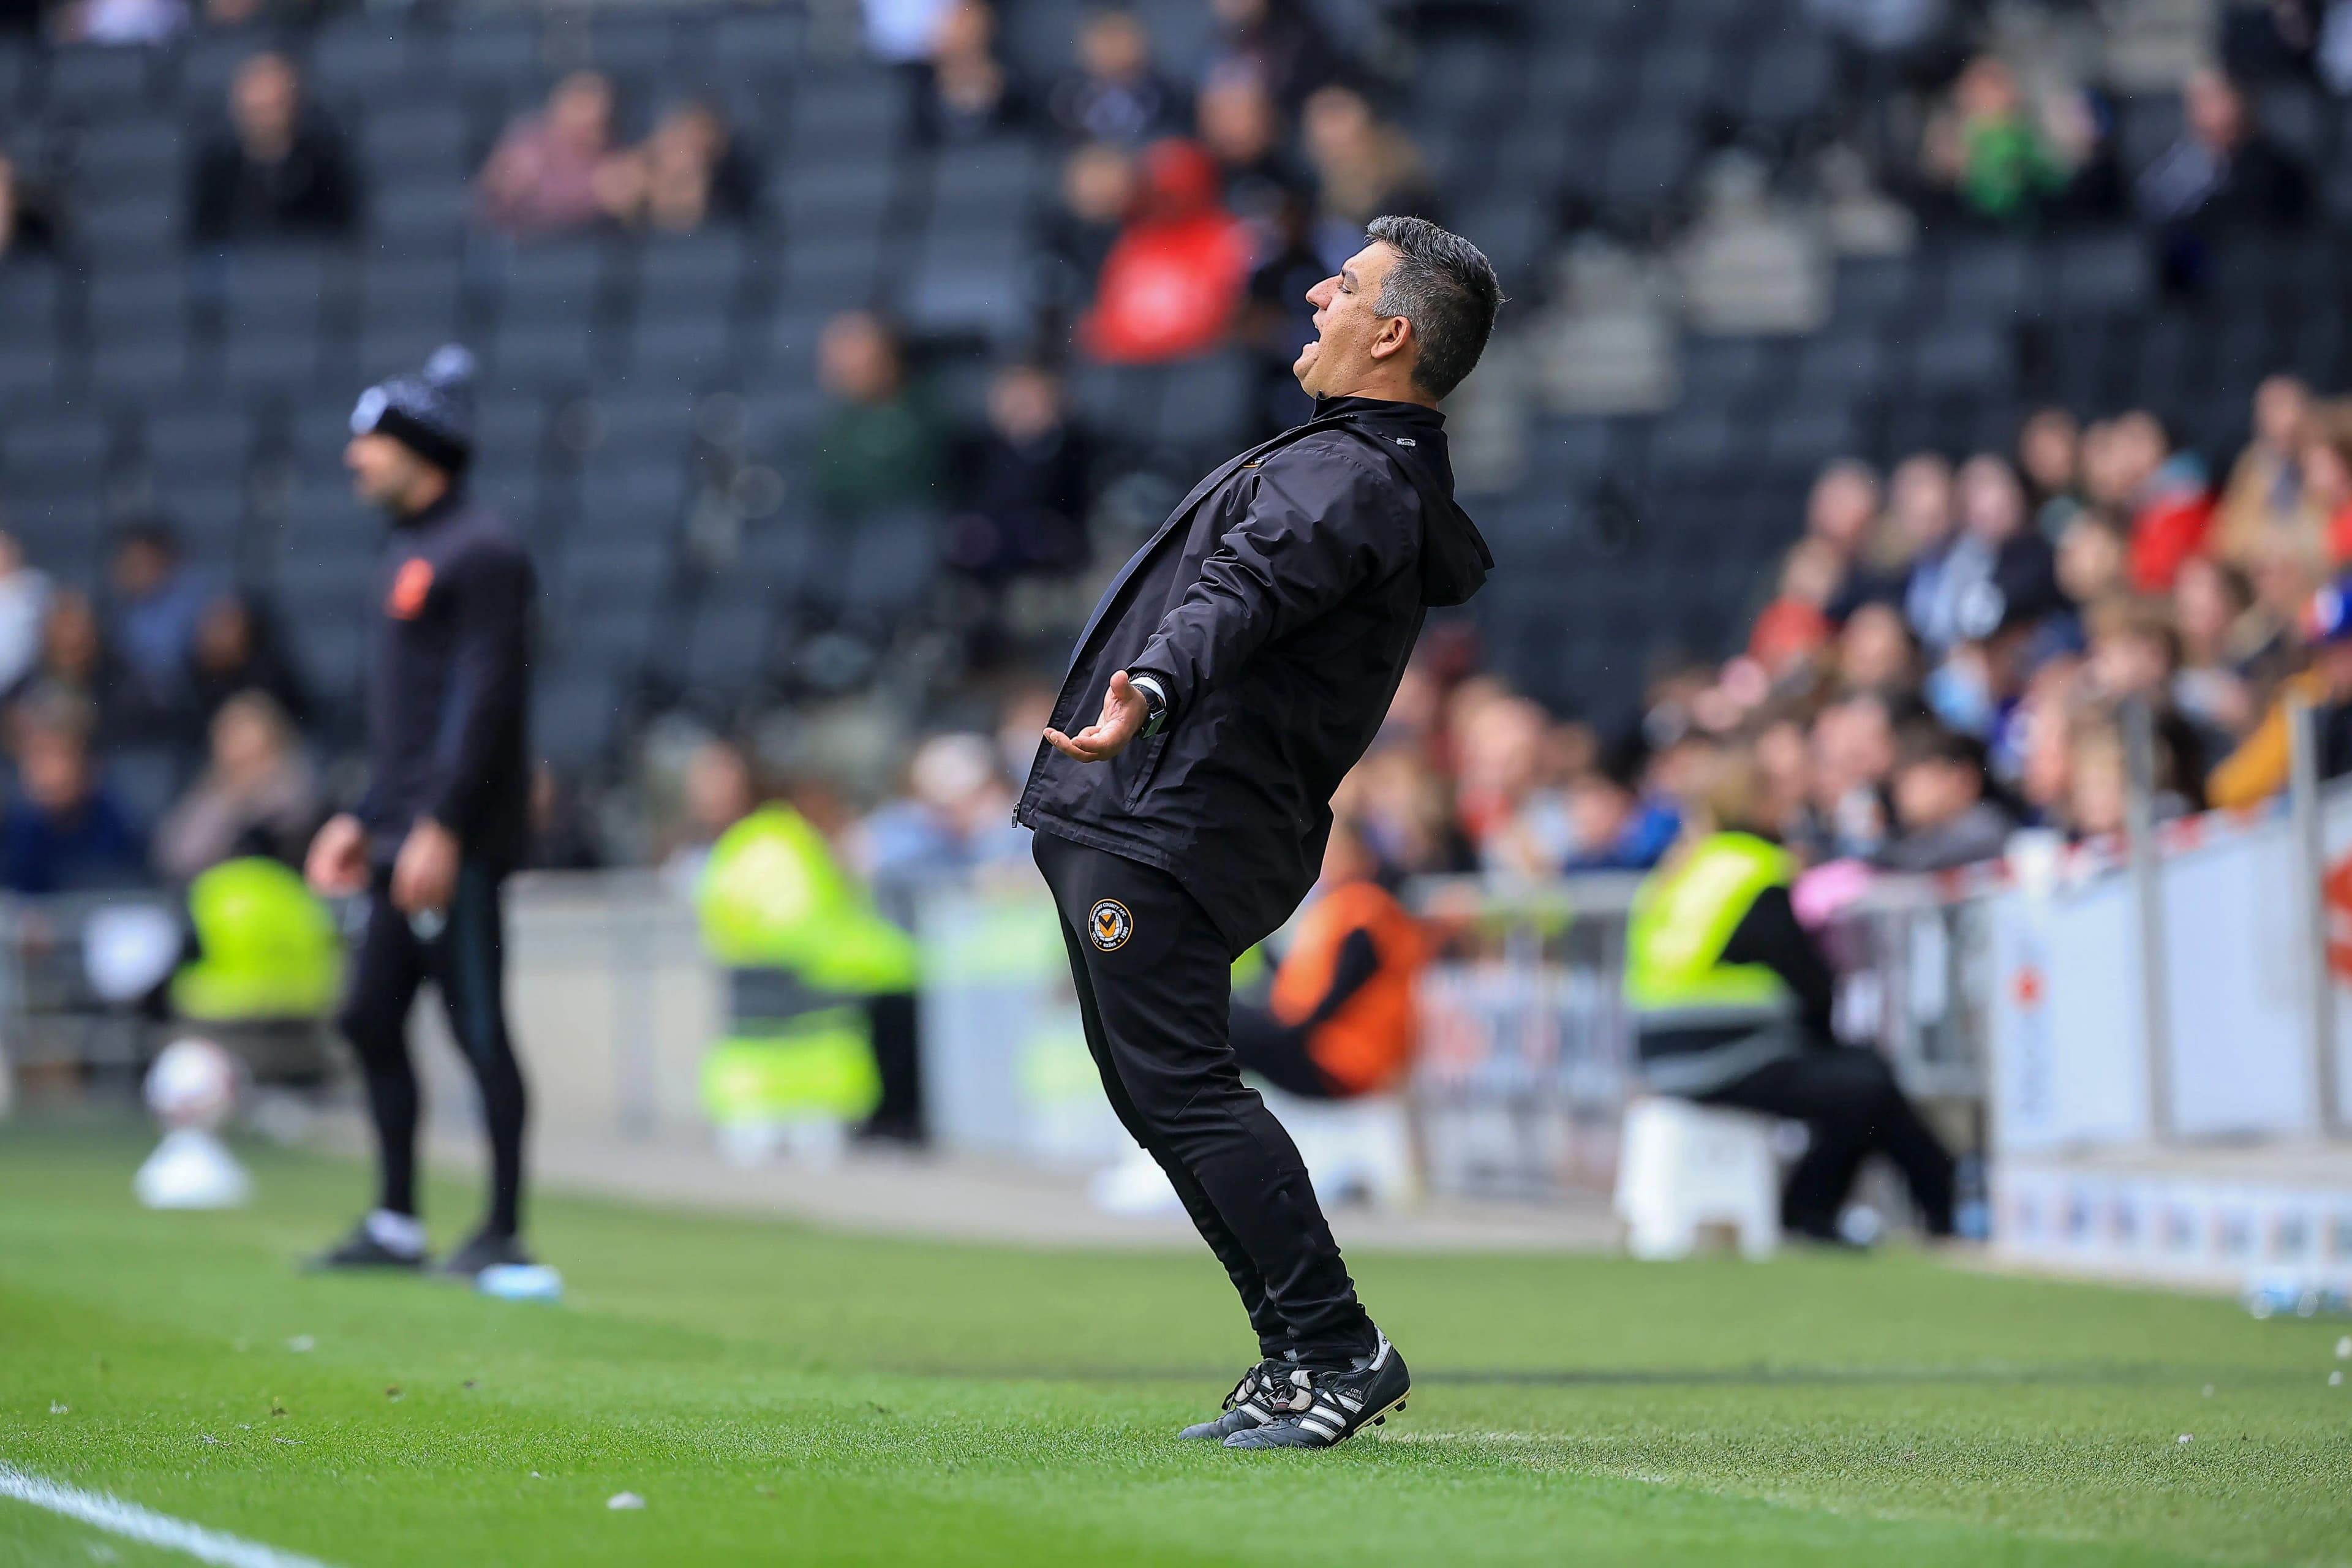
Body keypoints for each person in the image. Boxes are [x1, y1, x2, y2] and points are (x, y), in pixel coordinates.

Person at [1017, 215, 1499, 1449]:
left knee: (1181, 1089)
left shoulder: (1349, 474)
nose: (1317, 296)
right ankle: (1296, 1356)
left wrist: (1151, 683)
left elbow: (1242, 591)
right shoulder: (1353, 464)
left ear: (1391, 335)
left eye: (1345, 286)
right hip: (1168, 810)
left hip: (1174, 812)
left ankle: (1334, 1348)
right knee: (1160, 1092)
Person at [301, 345, 541, 1281]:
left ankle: (502, 1229)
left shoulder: (483, 553)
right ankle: (397, 1223)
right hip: (401, 834)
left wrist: (441, 824)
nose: (354, 458)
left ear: (419, 450)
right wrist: (365, 816)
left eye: (370, 441)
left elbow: (484, 703)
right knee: (368, 1018)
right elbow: (407, 722)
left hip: (456, 842)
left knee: (478, 1027)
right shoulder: (406, 548)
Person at [1625, 748, 1956, 1243]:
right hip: (1726, 1059)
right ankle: (1924, 1207)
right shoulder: (1755, 870)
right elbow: (1809, 981)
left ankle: (1842, 1208)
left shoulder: (1681, 871)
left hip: (1663, 1059)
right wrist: (1830, 1039)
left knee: (1860, 1083)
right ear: (1760, 803)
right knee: (1867, 1085)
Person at [1227, 819, 1425, 1099]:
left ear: (1362, 857)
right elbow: (1304, 977)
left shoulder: (1368, 906)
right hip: (1319, 1042)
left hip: (1339, 1057)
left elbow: (1344, 986)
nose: (1326, 861)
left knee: (1222, 1025)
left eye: (1337, 852)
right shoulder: (1337, 905)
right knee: (1225, 1016)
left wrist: (1293, 1031)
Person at [191, 51, 358, 246]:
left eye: (272, 106)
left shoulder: (323, 166)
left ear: (293, 104)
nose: (264, 119)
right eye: (256, 109)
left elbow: (340, 233)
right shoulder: (218, 173)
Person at [153, 690, 321, 881]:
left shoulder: (296, 788)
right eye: (227, 734)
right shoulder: (214, 791)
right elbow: (176, 856)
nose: (235, 746)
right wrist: (229, 801)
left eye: (243, 732)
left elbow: (293, 832)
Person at [808, 311, 946, 519]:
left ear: (888, 359)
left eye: (852, 367)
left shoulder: (924, 415)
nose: (836, 372)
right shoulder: (842, 426)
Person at [0, 704, 146, 894]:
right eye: (35, 756)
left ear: (88, 762)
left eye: (59, 756)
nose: (46, 771)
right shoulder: (18, 826)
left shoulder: (118, 822)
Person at [475, 70, 617, 239]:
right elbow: (496, 206)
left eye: (600, 119)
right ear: (561, 106)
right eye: (582, 106)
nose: (592, 121)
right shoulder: (527, 146)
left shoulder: (610, 151)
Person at [1879, 722, 2014, 871]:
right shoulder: (1919, 837)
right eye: (1898, 784)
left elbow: (1927, 861)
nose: (1901, 795)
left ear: (1961, 779)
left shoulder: (1983, 826)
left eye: (1911, 782)